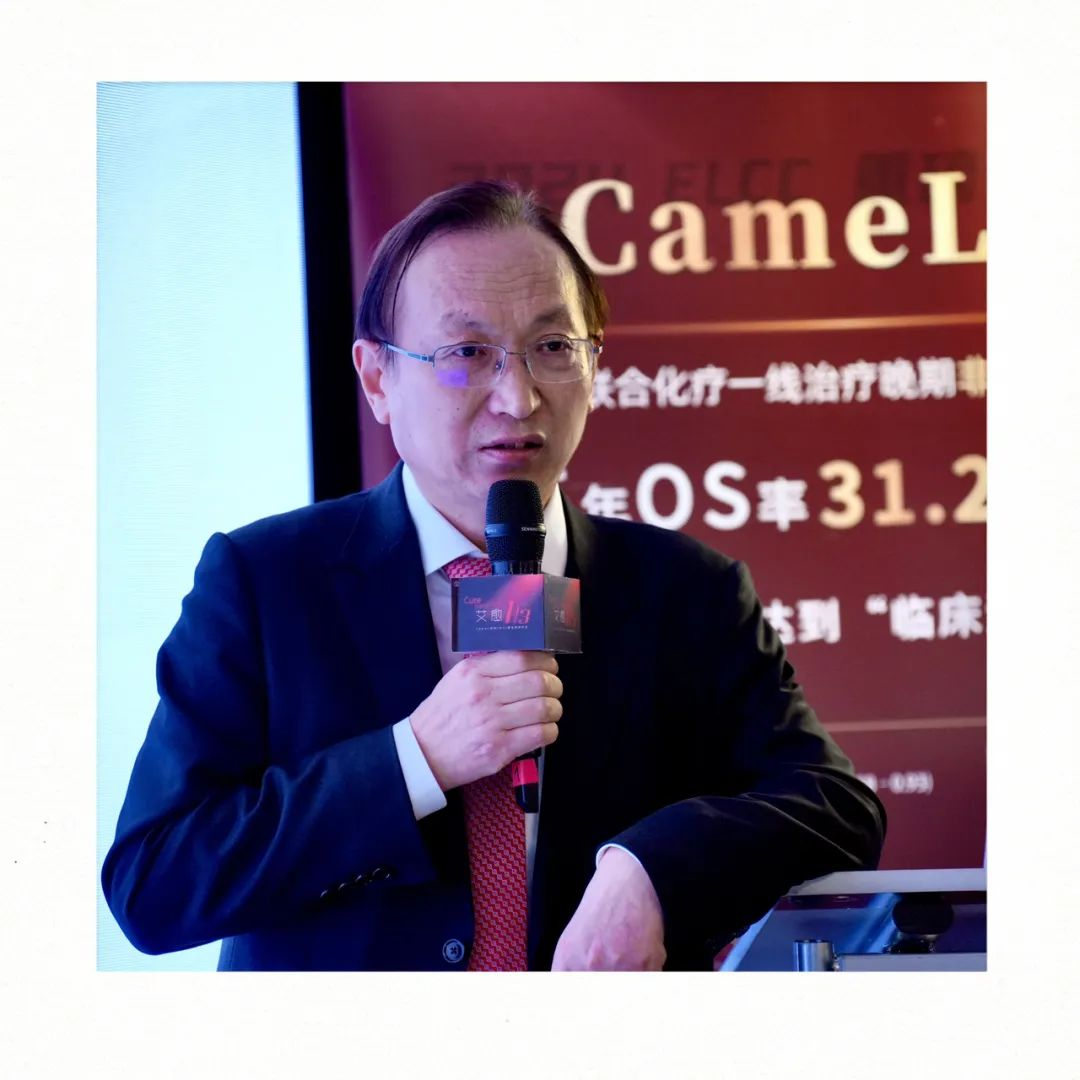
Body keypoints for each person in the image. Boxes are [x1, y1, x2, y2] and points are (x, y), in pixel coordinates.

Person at [102, 180, 885, 971]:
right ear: (377, 379)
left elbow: (835, 806)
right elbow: (154, 882)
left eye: (554, 348)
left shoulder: (686, 591)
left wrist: (650, 871)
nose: (518, 397)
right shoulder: (265, 582)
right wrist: (415, 759)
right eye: (467, 354)